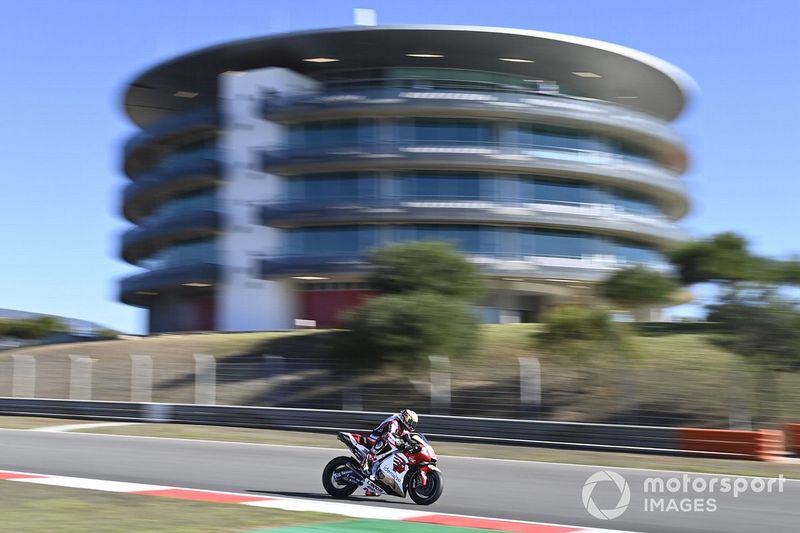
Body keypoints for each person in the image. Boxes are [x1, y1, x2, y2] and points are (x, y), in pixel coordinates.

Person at [361, 408, 418, 495]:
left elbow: (408, 440)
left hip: (385, 442)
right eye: (410, 421)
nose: (411, 425)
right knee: (385, 439)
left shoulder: (405, 429)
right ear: (405, 418)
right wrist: (399, 442)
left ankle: (374, 486)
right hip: (374, 437)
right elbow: (389, 434)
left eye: (413, 423)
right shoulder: (395, 421)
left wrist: (416, 446)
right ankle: (367, 459)